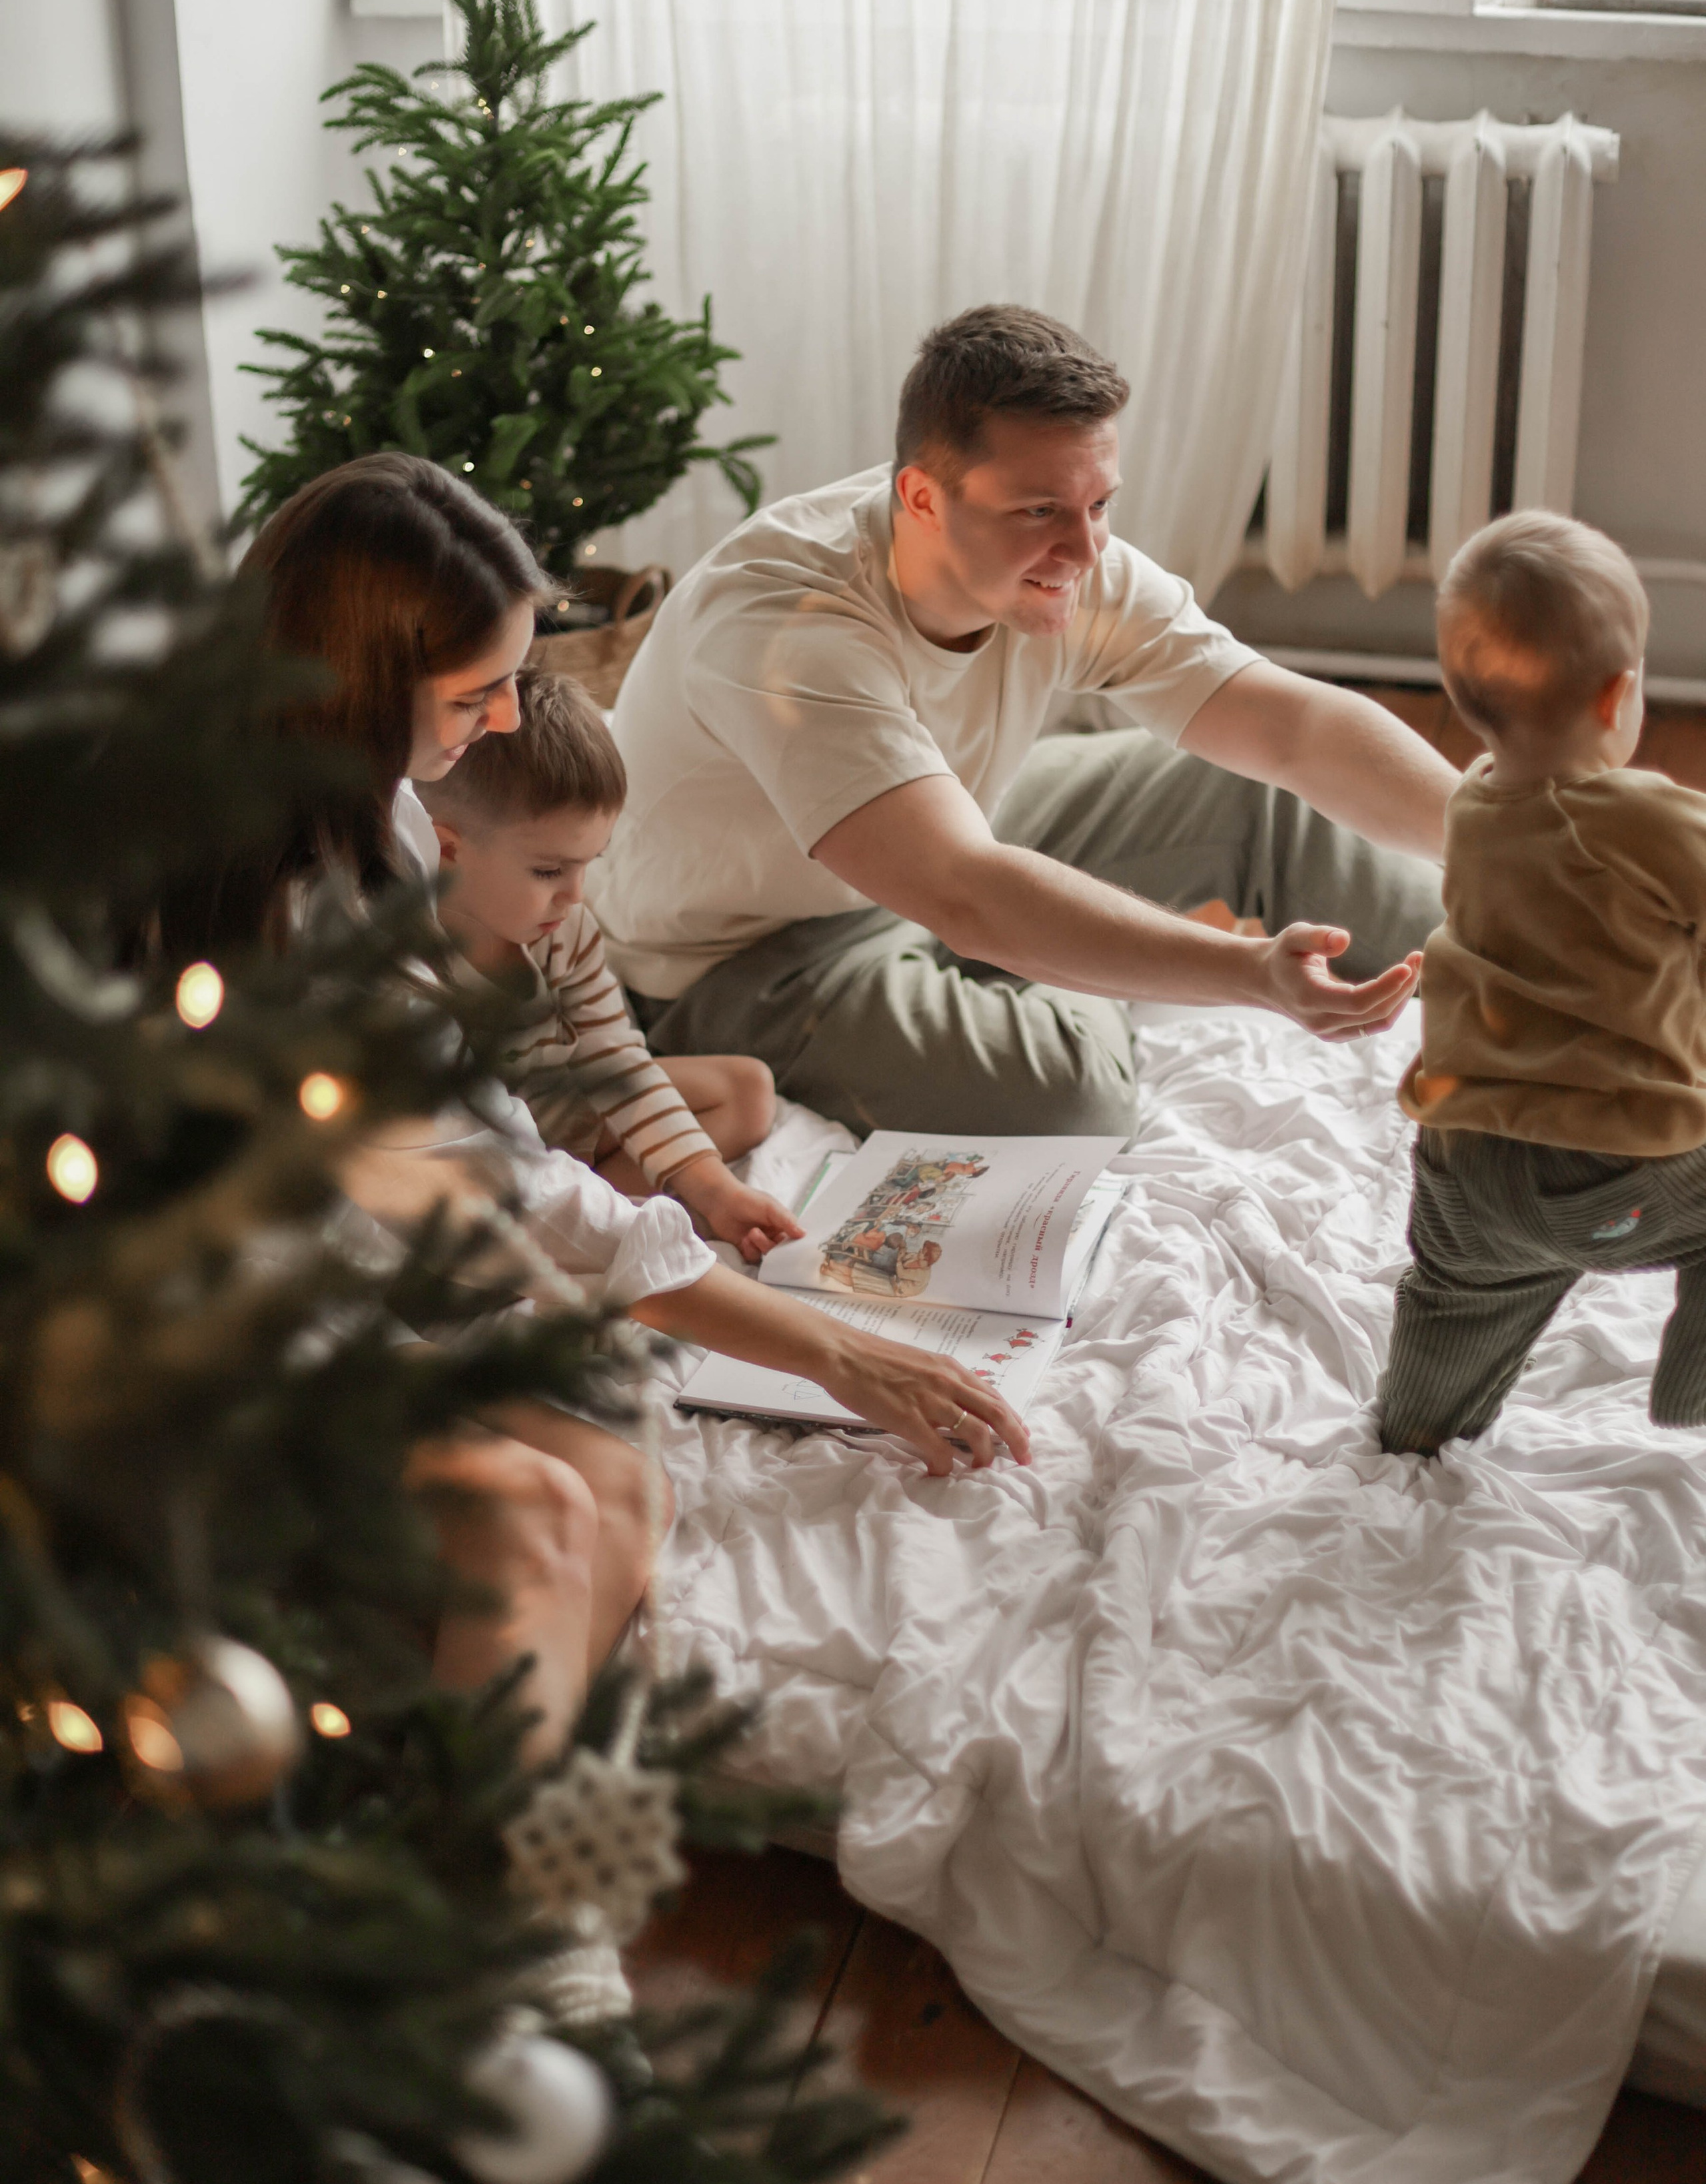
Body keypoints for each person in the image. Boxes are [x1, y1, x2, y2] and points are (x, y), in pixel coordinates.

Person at [219, 456, 1026, 1753]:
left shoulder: (387, 820)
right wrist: (829, 1351)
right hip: (229, 1322)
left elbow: (501, 1153)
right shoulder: (285, 916)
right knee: (536, 1505)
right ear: (357, 689)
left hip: (370, 1258)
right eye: (472, 694)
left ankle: (479, 1808)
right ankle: (457, 1852)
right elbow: (515, 1193)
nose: (501, 721)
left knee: (619, 1468)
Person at [590, 304, 1457, 1139]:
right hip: (749, 956)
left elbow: (1291, 727)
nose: (1085, 550)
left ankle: (1511, 983)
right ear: (922, 500)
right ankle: (1056, 947)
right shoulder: (786, 627)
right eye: (1040, 511)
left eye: (1100, 504)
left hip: (955, 832)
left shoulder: (1059, 561)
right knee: (1076, 1091)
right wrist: (1248, 973)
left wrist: (1497, 835)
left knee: (1259, 796)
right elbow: (965, 890)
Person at [1378, 512, 1706, 1454]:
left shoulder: (1475, 802)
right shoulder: (1649, 821)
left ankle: (1419, 1426)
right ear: (1619, 696)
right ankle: (1694, 1386)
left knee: (1456, 1298)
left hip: (1462, 1163)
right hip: (1605, 1171)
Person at [420, 666, 804, 1265]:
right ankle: (586, 1219)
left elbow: (615, 1059)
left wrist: (715, 1189)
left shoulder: (565, 930)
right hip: (504, 1158)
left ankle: (608, 1203)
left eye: (589, 863)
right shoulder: (416, 963)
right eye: (549, 871)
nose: (575, 895)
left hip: (571, 1115)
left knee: (749, 1089)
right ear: (447, 851)